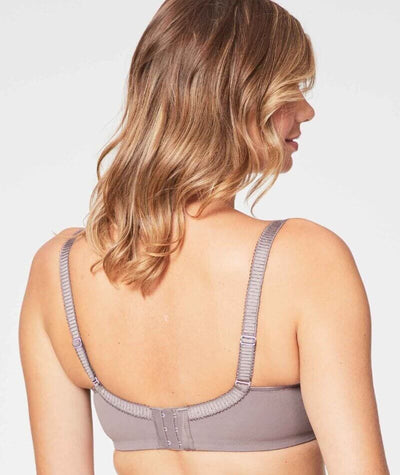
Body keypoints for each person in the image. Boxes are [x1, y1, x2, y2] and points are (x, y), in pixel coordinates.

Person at [19, 0, 390, 474]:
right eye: (290, 88)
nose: (307, 109)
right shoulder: (304, 261)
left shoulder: (59, 273)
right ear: (239, 97)